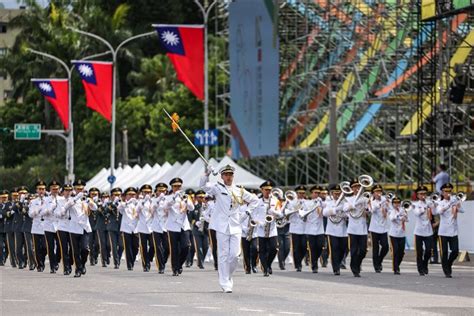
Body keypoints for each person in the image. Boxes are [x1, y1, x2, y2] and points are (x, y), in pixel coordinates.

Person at [200, 164, 258, 293]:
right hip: (221, 226)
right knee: (223, 255)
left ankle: (228, 277)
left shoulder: (239, 190)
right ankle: (225, 283)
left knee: (235, 256)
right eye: (226, 174)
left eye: (230, 174)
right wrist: (207, 173)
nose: (228, 177)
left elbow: (255, 201)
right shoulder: (217, 188)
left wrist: (247, 213)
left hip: (236, 225)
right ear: (221, 176)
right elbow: (203, 186)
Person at [435, 183, 463, 278]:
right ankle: (446, 271)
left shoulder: (454, 201)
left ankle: (449, 263)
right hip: (443, 231)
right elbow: (439, 211)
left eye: (449, 191)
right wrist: (450, 204)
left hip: (453, 230)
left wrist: (457, 203)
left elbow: (462, 210)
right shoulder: (439, 202)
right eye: (446, 191)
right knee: (444, 252)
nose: (448, 193)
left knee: (455, 251)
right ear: (442, 193)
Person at [344, 179, 369, 277]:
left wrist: (367, 210)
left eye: (358, 186)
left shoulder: (365, 198)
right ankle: (355, 269)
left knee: (363, 250)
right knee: (354, 250)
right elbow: (345, 208)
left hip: (362, 228)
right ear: (352, 189)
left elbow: (369, 209)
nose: (357, 188)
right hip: (353, 229)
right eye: (355, 187)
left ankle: (357, 264)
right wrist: (355, 203)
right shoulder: (348, 199)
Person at [254, 181, 279, 277]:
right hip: (261, 230)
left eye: (269, 190)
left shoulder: (275, 200)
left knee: (274, 248)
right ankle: (265, 269)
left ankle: (268, 264)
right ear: (262, 190)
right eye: (266, 190)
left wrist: (274, 213)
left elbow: (280, 213)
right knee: (262, 251)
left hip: (272, 229)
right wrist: (259, 223)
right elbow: (253, 215)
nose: (268, 192)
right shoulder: (257, 201)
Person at [322, 184, 348, 276]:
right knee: (334, 249)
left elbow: (349, 215)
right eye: (335, 193)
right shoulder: (328, 203)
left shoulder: (345, 202)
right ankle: (336, 268)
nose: (337, 195)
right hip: (332, 230)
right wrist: (336, 209)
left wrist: (344, 212)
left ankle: (339, 261)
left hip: (343, 230)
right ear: (332, 194)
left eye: (339, 193)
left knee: (343, 249)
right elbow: (324, 213)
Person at [412, 185, 434, 276]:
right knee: (419, 252)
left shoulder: (429, 203)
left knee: (429, 250)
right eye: (421, 194)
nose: (423, 195)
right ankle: (420, 269)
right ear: (417, 195)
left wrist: (434, 204)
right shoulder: (415, 204)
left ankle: (425, 264)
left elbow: (436, 212)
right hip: (419, 231)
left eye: (424, 193)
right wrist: (425, 206)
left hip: (428, 231)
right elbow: (417, 213)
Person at [368, 184, 389, 273]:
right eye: (376, 192)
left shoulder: (385, 200)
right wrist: (380, 203)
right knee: (375, 248)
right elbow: (371, 210)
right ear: (373, 193)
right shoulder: (371, 202)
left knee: (385, 247)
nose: (378, 193)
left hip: (383, 227)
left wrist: (388, 203)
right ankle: (376, 266)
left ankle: (379, 261)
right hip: (374, 228)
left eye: (380, 191)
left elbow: (390, 209)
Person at [304, 185, 325, 273]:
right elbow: (303, 215)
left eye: (318, 193)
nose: (317, 194)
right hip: (310, 229)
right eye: (315, 193)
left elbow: (321, 215)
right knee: (312, 248)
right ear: (311, 194)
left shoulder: (322, 203)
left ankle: (314, 259)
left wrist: (320, 205)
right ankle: (314, 265)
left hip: (320, 229)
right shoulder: (307, 203)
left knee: (320, 246)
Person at [388, 197, 407, 275]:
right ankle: (396, 268)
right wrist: (399, 214)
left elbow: (407, 220)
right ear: (392, 204)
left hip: (401, 234)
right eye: (395, 203)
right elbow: (392, 218)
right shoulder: (392, 211)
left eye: (398, 203)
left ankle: (397, 265)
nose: (397, 204)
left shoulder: (403, 210)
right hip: (393, 234)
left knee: (401, 252)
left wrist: (404, 216)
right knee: (395, 251)